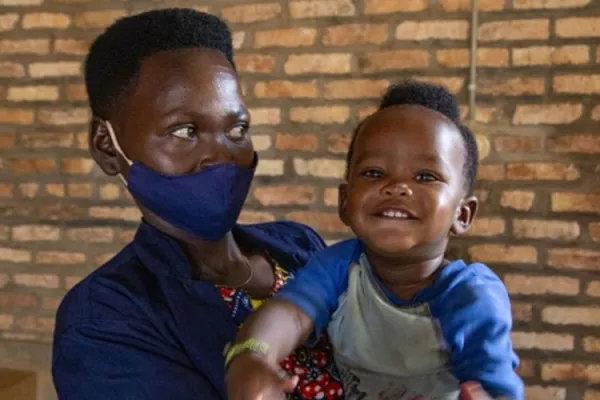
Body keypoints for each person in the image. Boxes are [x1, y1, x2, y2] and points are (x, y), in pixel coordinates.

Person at [51, 9, 345, 399]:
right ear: (107, 147)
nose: (221, 156)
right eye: (186, 131)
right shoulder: (104, 320)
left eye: (236, 129)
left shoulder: (298, 245)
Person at [225, 81, 525, 400]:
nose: (396, 187)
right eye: (374, 173)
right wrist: (252, 356)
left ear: (462, 214)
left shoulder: (471, 296)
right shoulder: (339, 268)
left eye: (425, 176)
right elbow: (291, 313)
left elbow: (493, 381)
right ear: (344, 201)